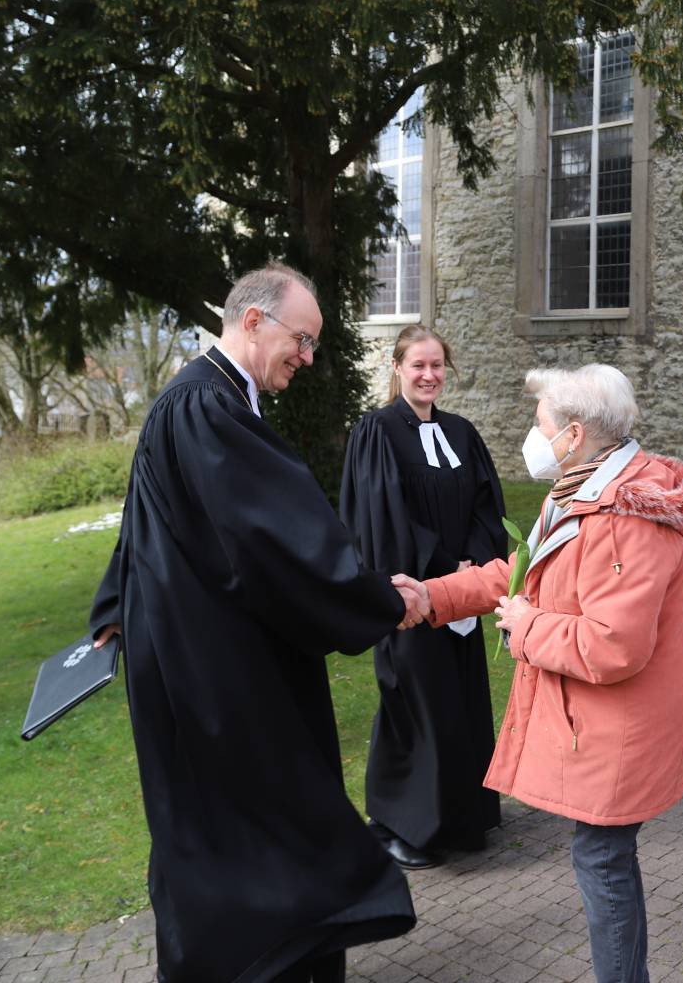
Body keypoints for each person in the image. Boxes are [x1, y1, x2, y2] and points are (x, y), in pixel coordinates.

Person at [87, 265, 421, 983]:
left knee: (217, 826)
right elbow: (274, 542)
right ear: (252, 322)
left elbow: (152, 510)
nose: (308, 356)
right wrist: (380, 599)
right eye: (302, 339)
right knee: (259, 817)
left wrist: (112, 605)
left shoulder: (199, 399)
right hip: (218, 670)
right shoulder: (206, 408)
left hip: (195, 658)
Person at [401, 365, 683, 983]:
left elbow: (613, 645)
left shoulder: (625, 517)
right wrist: (434, 597)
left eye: (538, 424)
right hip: (602, 723)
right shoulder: (583, 489)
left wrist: (525, 626)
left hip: (621, 726)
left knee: (602, 858)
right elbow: (521, 570)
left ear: (572, 433)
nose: (530, 435)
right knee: (606, 858)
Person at [338, 326, 507, 869]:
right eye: (418, 366)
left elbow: (487, 506)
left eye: (437, 366)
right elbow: (381, 520)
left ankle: (462, 817)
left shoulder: (463, 433)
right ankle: (400, 824)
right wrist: (437, 573)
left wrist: (473, 569)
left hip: (462, 595)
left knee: (461, 702)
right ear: (397, 368)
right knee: (414, 703)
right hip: (411, 597)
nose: (429, 376)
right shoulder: (377, 432)